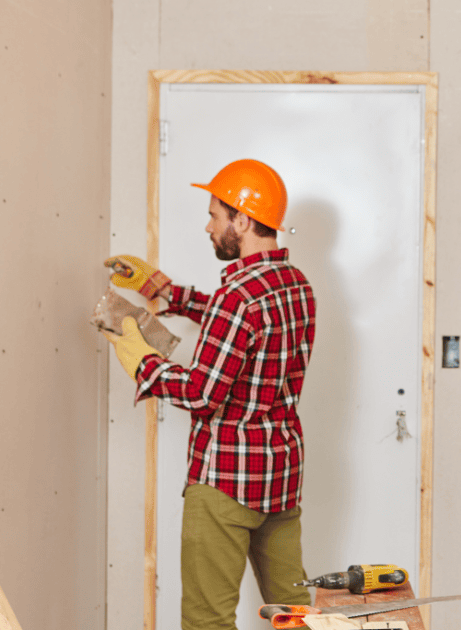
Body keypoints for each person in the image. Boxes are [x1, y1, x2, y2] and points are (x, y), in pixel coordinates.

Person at [101, 158, 316, 630]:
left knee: (207, 622)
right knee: (296, 616)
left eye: (215, 215)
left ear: (242, 220)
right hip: (279, 479)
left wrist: (144, 362)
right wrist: (163, 290)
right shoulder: (297, 287)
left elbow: (202, 393)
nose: (208, 226)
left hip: (225, 482)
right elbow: (237, 326)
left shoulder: (237, 296)